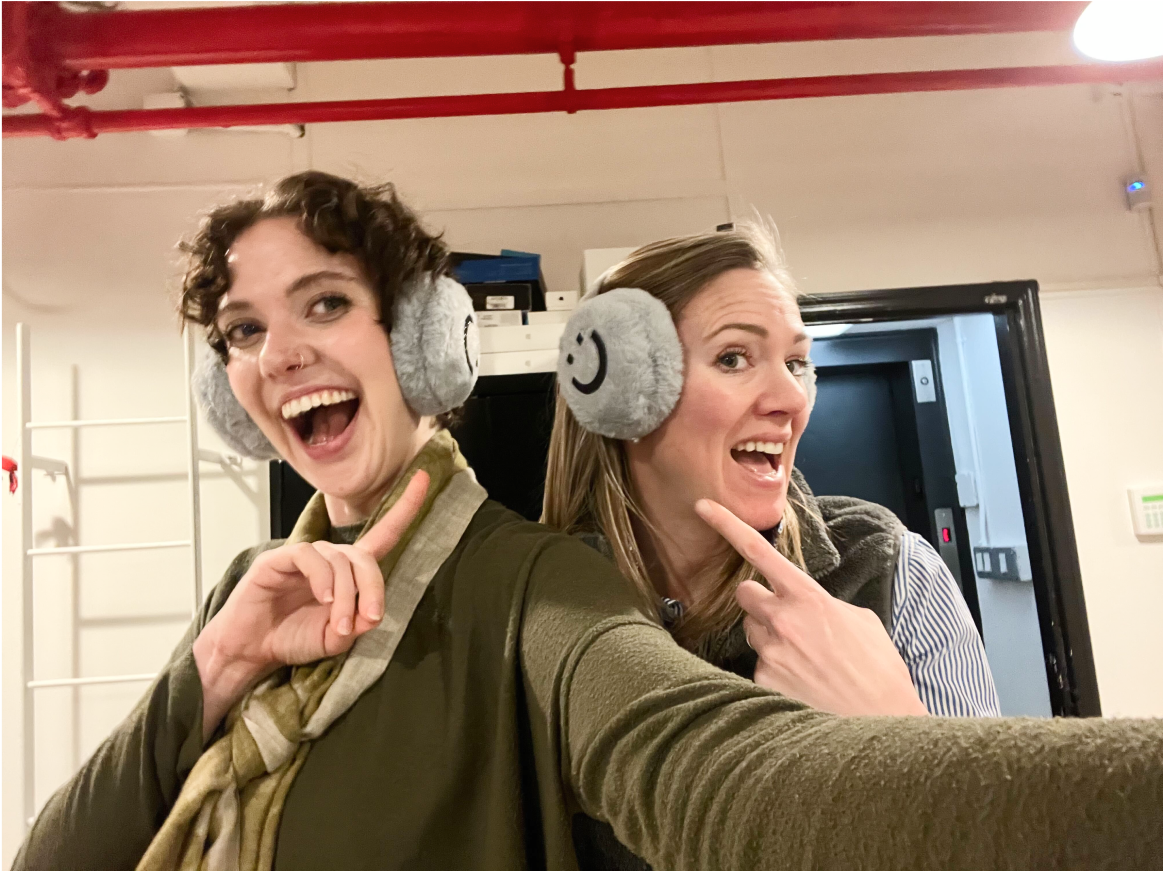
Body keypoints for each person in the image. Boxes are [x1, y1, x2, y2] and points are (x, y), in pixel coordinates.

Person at [14, 172, 1159, 871]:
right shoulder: (249, 591)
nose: (280, 353)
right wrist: (213, 666)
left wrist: (905, 741)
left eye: (323, 302)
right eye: (242, 330)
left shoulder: (537, 590)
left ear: (425, 342)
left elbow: (727, 781)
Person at [543, 222, 999, 719]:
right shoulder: (539, 606)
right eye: (734, 358)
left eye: (798, 363)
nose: (791, 399)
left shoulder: (893, 572)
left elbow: (992, 800)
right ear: (622, 398)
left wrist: (886, 720)